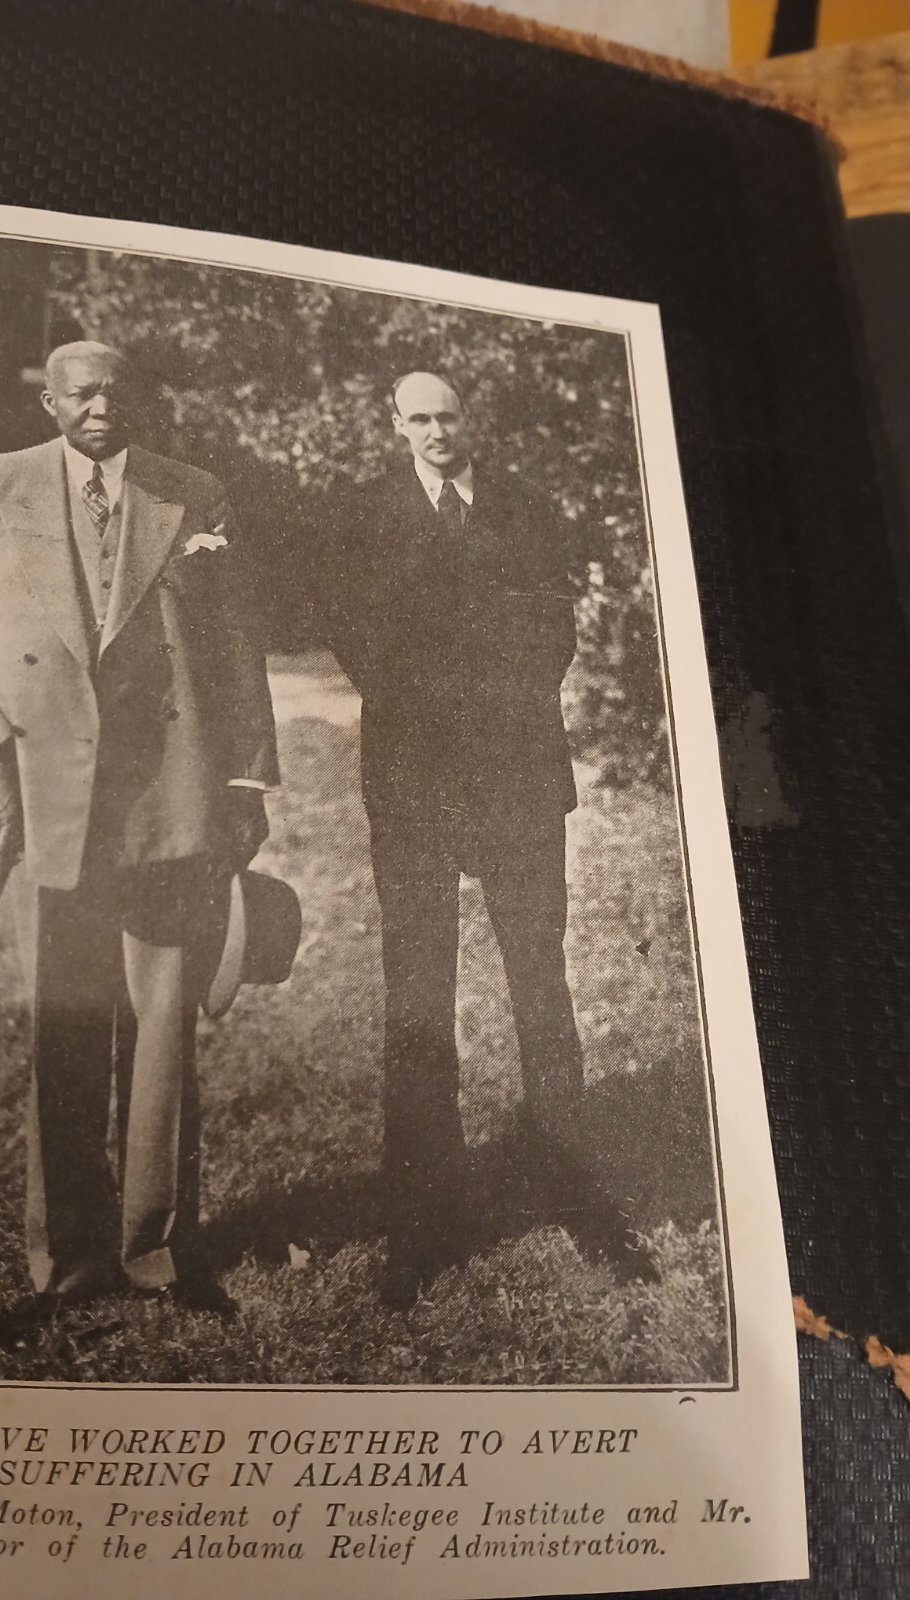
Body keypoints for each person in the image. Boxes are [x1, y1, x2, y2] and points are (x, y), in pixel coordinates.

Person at [0, 341, 278, 1335]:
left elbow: (234, 645)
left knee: (165, 1024)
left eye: (116, 391)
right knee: (64, 1022)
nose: (100, 406)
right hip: (50, 798)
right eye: (80, 391)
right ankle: (70, 1258)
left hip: (169, 794)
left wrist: (245, 777)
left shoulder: (193, 493)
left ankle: (159, 1246)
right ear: (47, 400)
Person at [322, 369, 588, 1310]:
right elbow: (363, 642)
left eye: (450, 415)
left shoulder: (526, 507)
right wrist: (458, 690)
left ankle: (572, 1187)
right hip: (416, 784)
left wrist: (487, 691)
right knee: (419, 994)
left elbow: (551, 627)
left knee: (539, 978)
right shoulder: (364, 514)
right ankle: (423, 1215)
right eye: (419, 419)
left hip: (517, 772)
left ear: (473, 418)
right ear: (396, 428)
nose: (437, 432)